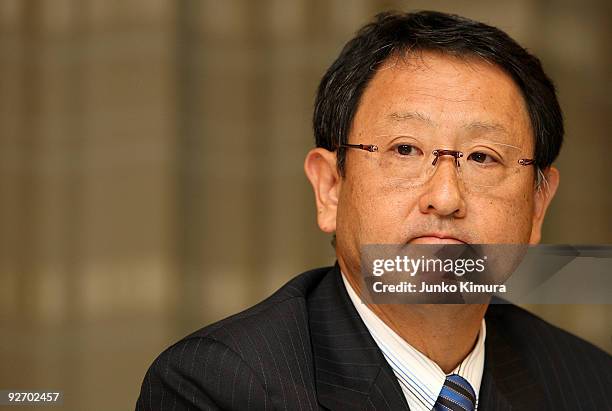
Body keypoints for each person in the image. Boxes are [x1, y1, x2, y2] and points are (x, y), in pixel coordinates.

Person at [136, 11, 610, 410]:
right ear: (330, 189)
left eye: (483, 157)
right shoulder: (219, 385)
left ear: (537, 204)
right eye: (405, 149)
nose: (445, 198)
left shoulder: (590, 385)